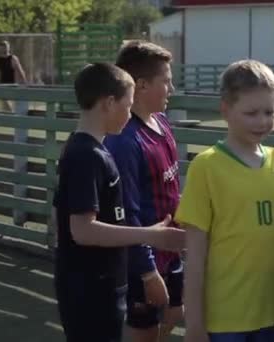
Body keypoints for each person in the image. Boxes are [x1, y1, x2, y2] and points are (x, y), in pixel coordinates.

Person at [176, 59, 274, 342]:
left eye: (269, 112)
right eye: (251, 113)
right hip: (224, 318)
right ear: (225, 109)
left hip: (270, 309)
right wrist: (195, 323)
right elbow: (195, 253)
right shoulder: (206, 166)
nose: (262, 121)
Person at [53, 62, 185, 342]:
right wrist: (150, 235)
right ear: (109, 103)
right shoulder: (85, 155)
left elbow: (60, 218)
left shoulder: (91, 150)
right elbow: (83, 230)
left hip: (103, 284)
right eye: (127, 105)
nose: (130, 114)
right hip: (90, 289)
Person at [103, 41, 183, 342]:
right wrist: (148, 273)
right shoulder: (125, 142)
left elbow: (169, 187)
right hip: (142, 260)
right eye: (166, 81)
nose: (171, 88)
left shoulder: (162, 122)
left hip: (169, 251)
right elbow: (127, 214)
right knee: (144, 331)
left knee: (176, 312)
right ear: (142, 85)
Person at [0, 40, 27, 111]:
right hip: (2, 84)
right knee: (4, 102)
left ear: (9, 48)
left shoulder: (13, 58)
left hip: (12, 84)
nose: (4, 48)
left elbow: (21, 71)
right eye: (3, 47)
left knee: (11, 103)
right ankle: (8, 117)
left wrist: (24, 82)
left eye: (6, 47)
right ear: (0, 48)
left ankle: (12, 115)